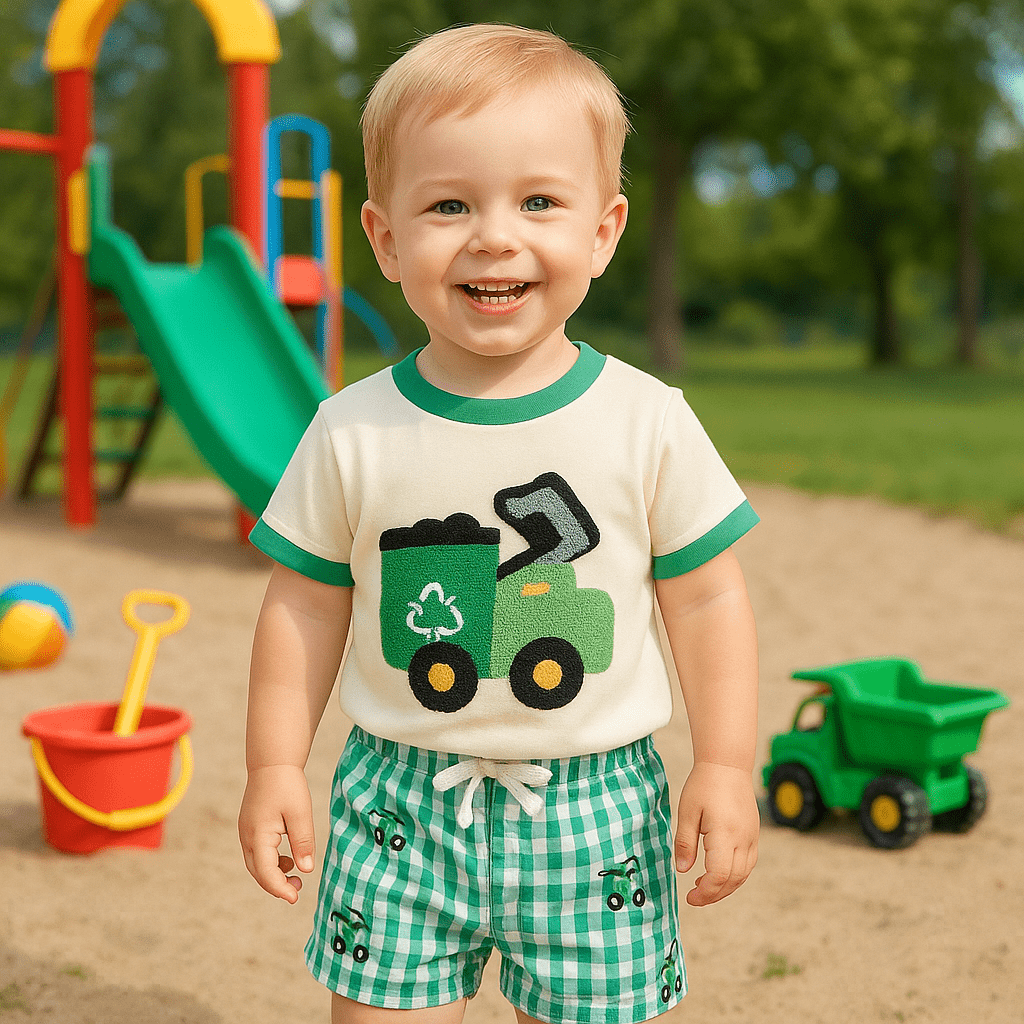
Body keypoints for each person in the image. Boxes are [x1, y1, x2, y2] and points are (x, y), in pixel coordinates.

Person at [239, 23, 759, 1024]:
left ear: (602, 232)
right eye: (447, 204)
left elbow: (705, 600)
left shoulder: (647, 419)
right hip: (397, 803)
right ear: (385, 239)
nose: (492, 235)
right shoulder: (350, 429)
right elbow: (302, 607)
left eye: (538, 201)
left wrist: (726, 763)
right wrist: (273, 764)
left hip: (597, 808)